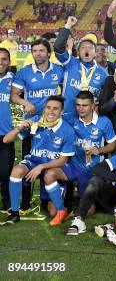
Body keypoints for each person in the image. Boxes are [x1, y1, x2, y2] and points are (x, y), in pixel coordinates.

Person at [1, 96, 76, 226]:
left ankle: (61, 211)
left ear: (62, 112)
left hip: (55, 166)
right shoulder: (35, 121)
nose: (51, 112)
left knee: (52, 209)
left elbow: (63, 161)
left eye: (55, 109)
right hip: (35, 162)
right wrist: (20, 127)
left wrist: (41, 167)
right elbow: (6, 140)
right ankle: (14, 214)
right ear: (44, 109)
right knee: (17, 170)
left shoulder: (67, 130)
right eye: (48, 108)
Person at [10, 38, 64, 209]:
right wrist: (26, 103)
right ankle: (25, 201)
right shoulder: (25, 72)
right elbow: (14, 95)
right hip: (31, 125)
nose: (38, 54)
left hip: (53, 124)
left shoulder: (59, 71)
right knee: (29, 160)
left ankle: (45, 200)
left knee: (49, 160)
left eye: (41, 50)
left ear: (49, 53)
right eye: (35, 51)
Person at [54, 16, 108, 120]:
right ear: (78, 52)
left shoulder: (102, 73)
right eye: (83, 47)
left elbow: (105, 97)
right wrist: (68, 25)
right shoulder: (70, 62)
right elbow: (58, 47)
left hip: (89, 119)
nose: (86, 50)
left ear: (95, 52)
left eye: (90, 48)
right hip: (67, 116)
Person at [0, 48, 14, 210]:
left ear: (9, 62)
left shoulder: (13, 80)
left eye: (4, 59)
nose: (1, 62)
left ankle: (7, 201)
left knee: (5, 171)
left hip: (6, 134)